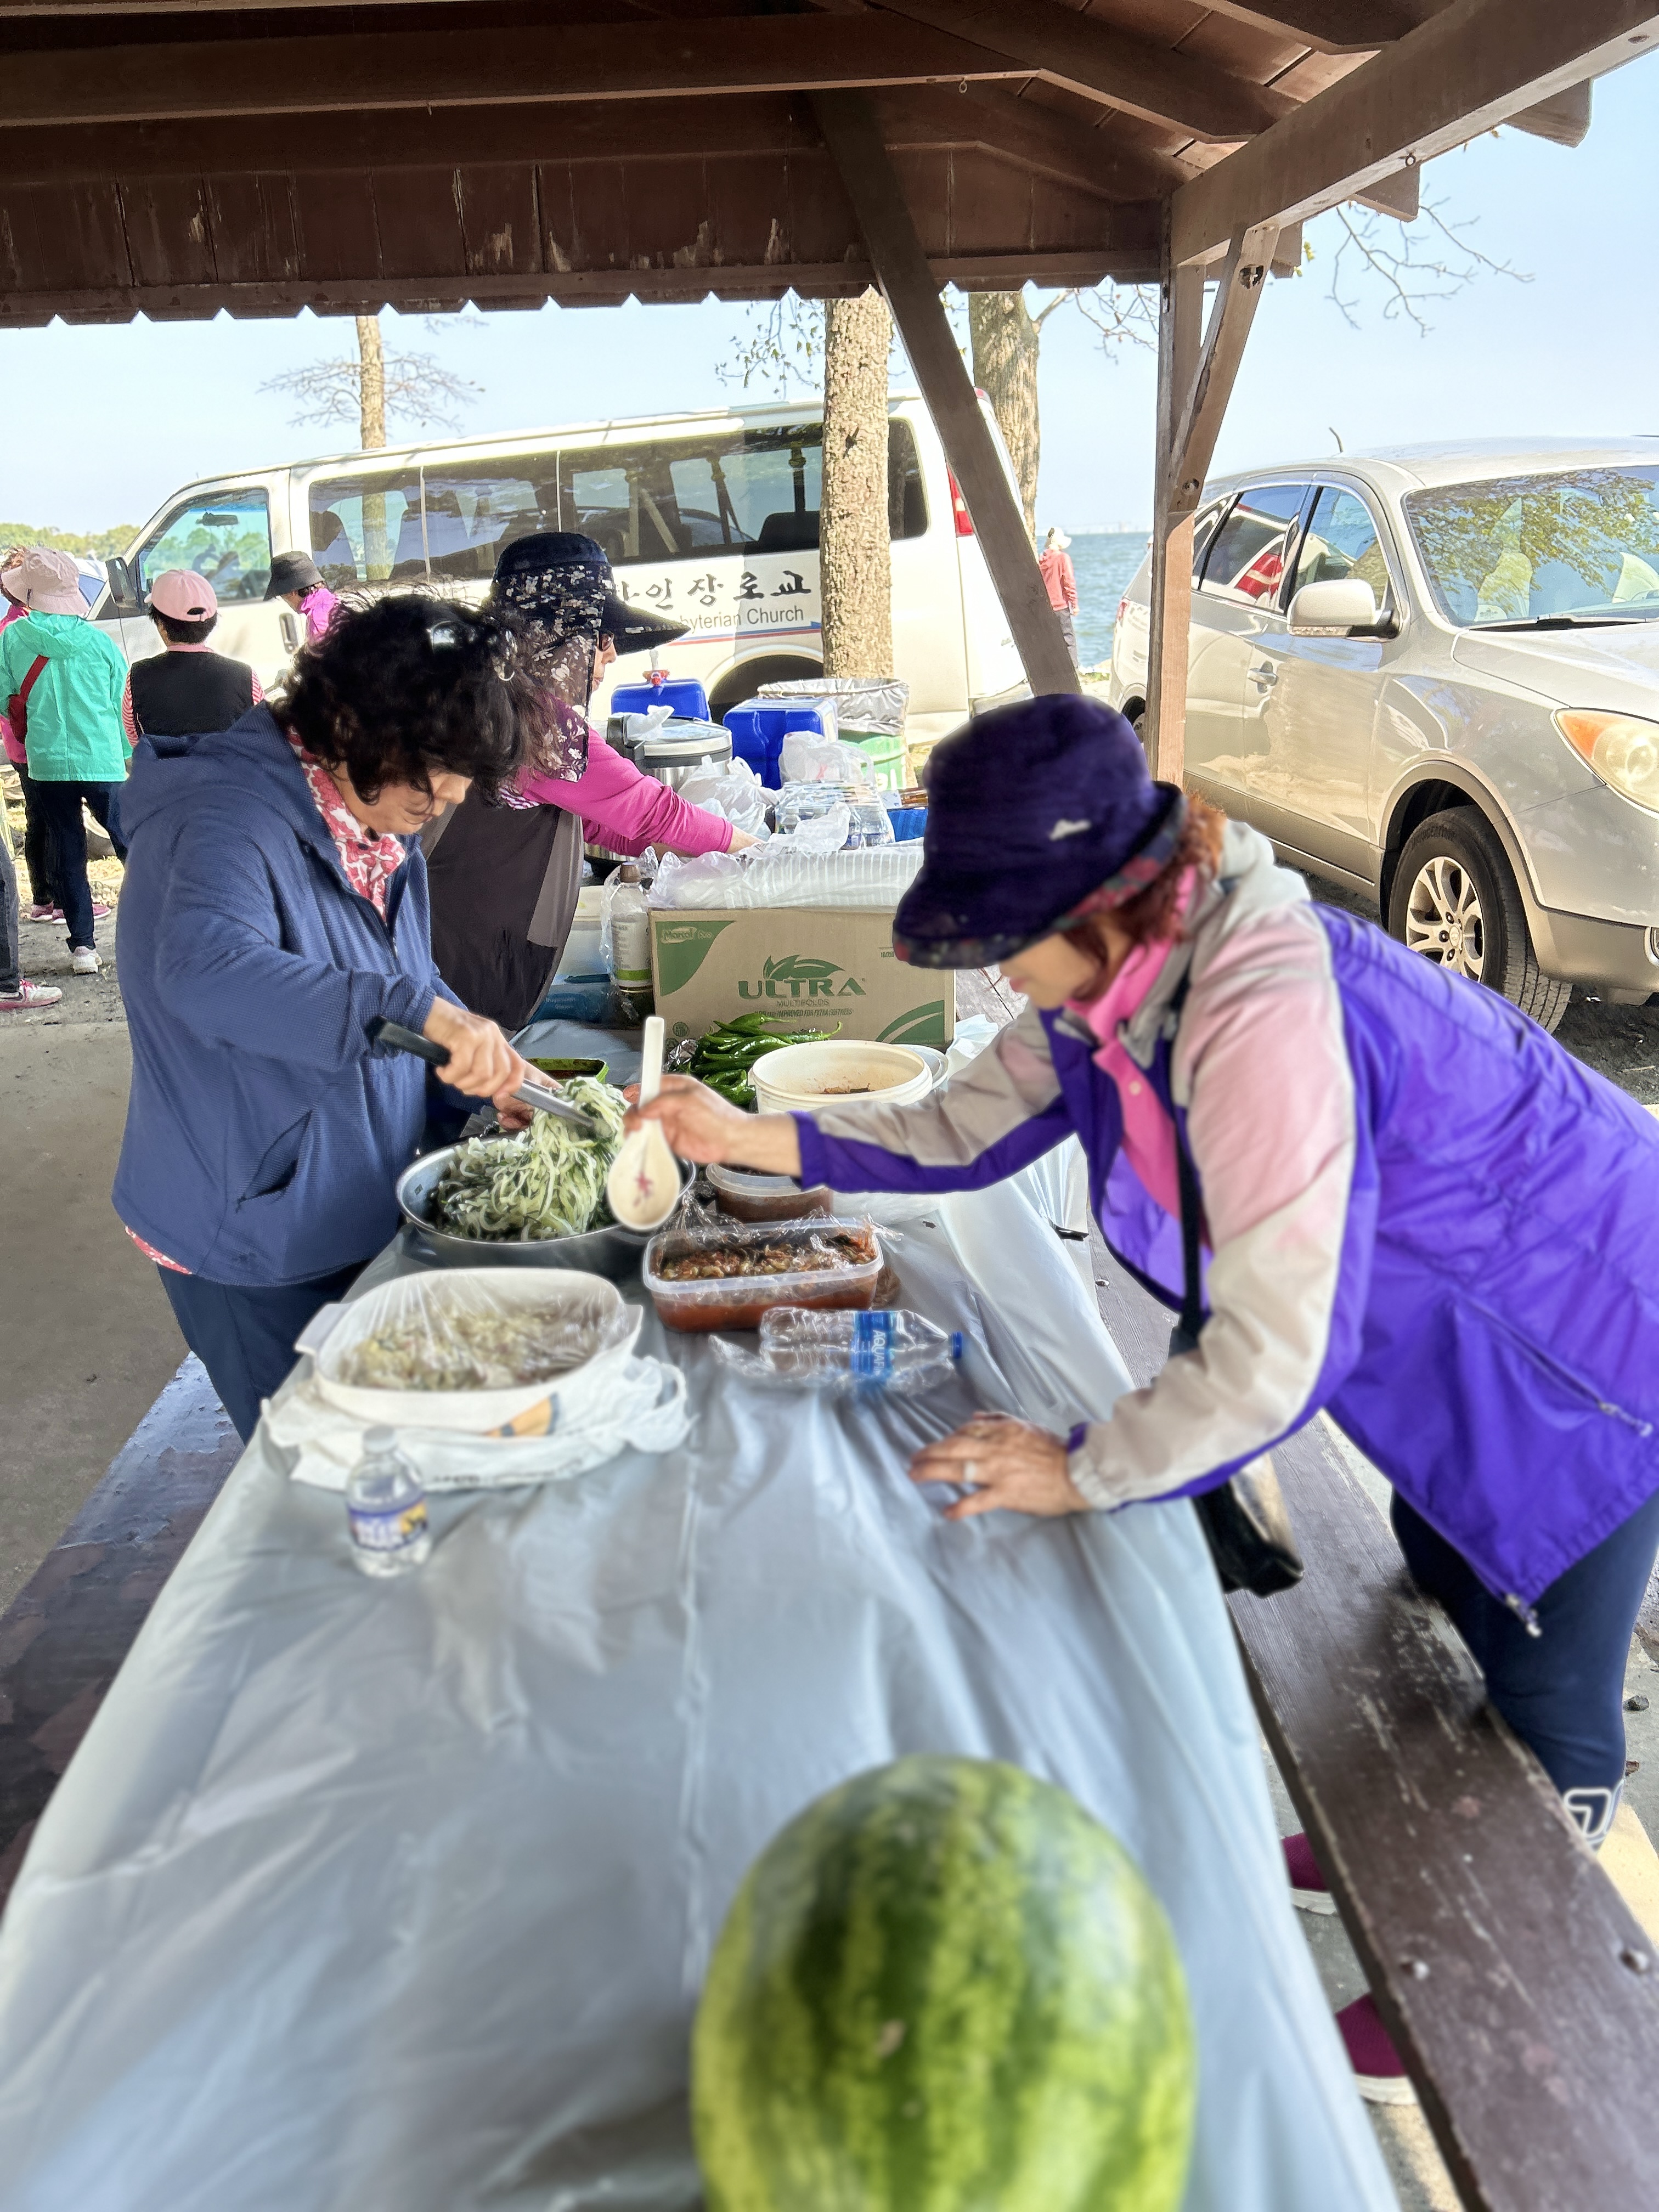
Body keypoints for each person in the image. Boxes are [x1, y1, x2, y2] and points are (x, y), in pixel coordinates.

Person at [633, 693, 1659, 2096]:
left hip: (1589, 1345)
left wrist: (1081, 1465)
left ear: (1097, 906)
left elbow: (1272, 1355)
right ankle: (1415, 1846)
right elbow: (958, 1125)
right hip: (1436, 1325)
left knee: (1542, 1669)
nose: (1003, 970)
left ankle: (1496, 1979)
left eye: (1009, 938)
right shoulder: (1125, 972)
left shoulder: (1260, 1019)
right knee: (1438, 1568)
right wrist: (753, 1134)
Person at [112, 592, 555, 1442]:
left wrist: (482, 1060)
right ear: (353, 724)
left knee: (384, 1441)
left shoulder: (368, 806)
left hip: (351, 1193)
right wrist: (416, 1010)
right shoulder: (222, 817)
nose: (450, 795)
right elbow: (205, 973)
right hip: (256, 1225)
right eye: (435, 772)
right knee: (317, 1466)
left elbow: (402, 974)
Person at [424, 532, 757, 1031]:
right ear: (555, 639)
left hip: (452, 946)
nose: (610, 656)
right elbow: (650, 810)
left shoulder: (491, 695)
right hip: (459, 962)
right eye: (600, 639)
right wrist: (759, 853)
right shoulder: (529, 718)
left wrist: (676, 851)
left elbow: (592, 822)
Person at [0, 546, 128, 974]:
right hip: (103, 759)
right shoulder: (100, 642)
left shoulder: (12, 638)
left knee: (67, 849)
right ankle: (158, 923)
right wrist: (127, 755)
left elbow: (4, 698)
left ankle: (84, 949)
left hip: (46, 761)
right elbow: (122, 704)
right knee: (130, 844)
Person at [1, 545, 65, 924]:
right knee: (53, 818)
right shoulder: (26, 630)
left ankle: (44, 899)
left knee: (38, 816)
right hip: (36, 739)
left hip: (20, 738)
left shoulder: (9, 627)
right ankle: (58, 901)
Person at [121, 569, 262, 741]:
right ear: (211, 622)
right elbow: (262, 733)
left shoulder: (137, 675)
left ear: (161, 625)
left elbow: (135, 737)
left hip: (163, 760)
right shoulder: (245, 675)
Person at [264, 550, 340, 644]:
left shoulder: (317, 621)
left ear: (291, 593)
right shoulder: (337, 601)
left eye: (283, 596)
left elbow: (325, 653)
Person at [1039, 526, 1080, 665]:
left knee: (1051, 641)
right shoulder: (1063, 558)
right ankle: (1073, 669)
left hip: (1046, 607)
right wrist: (1075, 605)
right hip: (1060, 606)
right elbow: (1069, 582)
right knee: (1068, 640)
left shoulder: (1042, 559)